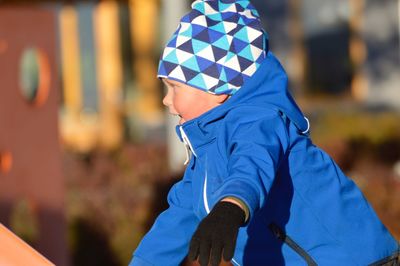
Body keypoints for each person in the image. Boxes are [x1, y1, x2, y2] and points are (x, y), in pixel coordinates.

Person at [129, 0, 400, 265]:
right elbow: (180, 217)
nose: (166, 100)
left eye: (174, 88)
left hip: (352, 258)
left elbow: (252, 165)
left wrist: (230, 207)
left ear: (218, 89)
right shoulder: (207, 152)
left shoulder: (260, 121)